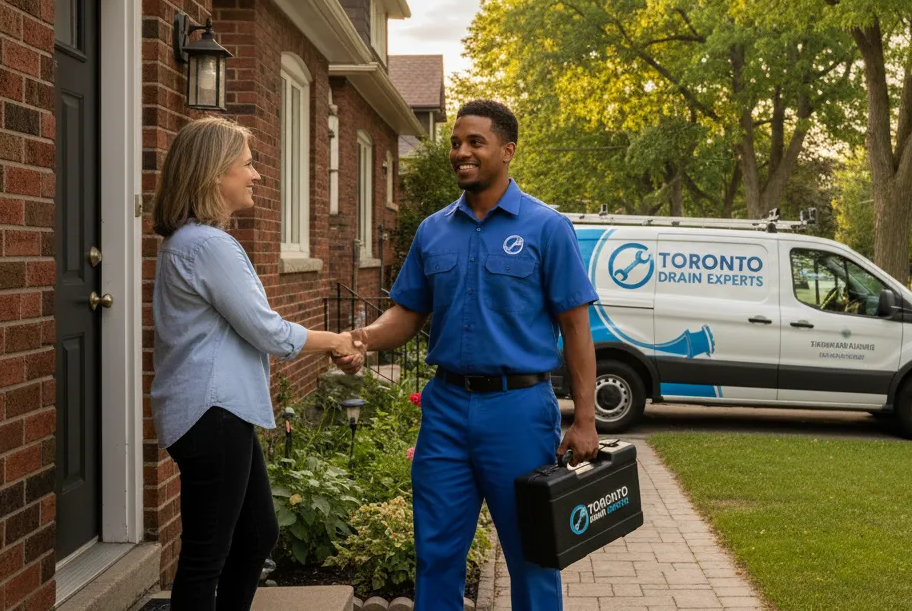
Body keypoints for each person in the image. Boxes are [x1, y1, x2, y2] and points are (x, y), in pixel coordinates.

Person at [350, 100, 599, 610]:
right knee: (436, 554)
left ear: (506, 151)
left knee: (533, 556)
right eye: (456, 143)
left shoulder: (546, 228)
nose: (461, 152)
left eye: (475, 143)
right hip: (444, 410)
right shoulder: (432, 230)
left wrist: (586, 420)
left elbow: (576, 327)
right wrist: (363, 339)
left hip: (519, 412)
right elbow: (407, 313)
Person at [150, 116, 366, 611]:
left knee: (256, 534)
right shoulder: (208, 245)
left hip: (217, 415)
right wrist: (336, 340)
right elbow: (266, 330)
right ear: (213, 174)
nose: (257, 176)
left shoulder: (189, 243)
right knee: (208, 556)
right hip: (213, 414)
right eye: (247, 165)